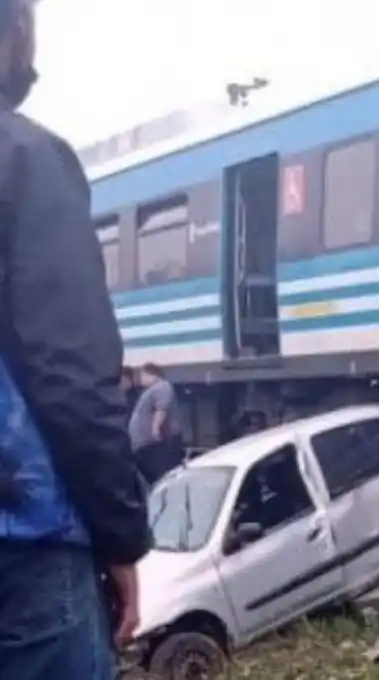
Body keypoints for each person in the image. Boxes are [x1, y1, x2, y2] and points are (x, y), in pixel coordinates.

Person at [0, 1, 151, 678]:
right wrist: (122, 538)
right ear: (18, 32)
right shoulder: (25, 160)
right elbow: (71, 377)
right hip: (23, 547)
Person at [129, 362, 185, 484]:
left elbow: (161, 409)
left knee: (159, 473)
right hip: (145, 444)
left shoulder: (162, 387)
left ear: (152, 374)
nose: (141, 379)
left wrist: (155, 429)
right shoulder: (150, 390)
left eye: (143, 375)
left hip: (155, 443)